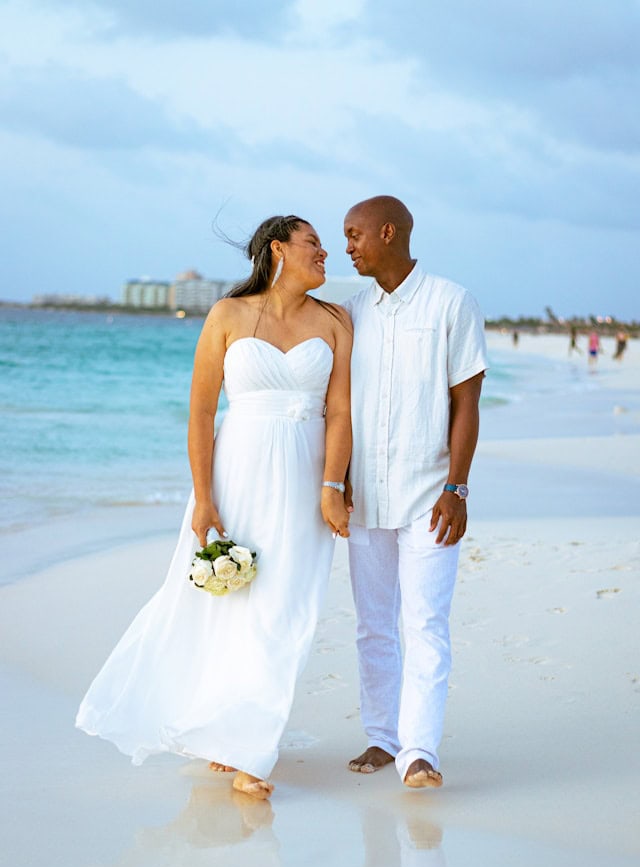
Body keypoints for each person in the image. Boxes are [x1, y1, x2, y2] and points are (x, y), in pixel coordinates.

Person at [76, 215, 352, 799]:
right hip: (236, 474)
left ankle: (251, 747)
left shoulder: (335, 322)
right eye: (312, 243)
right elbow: (202, 411)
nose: (325, 252)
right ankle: (230, 734)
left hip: (304, 480)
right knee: (229, 606)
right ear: (278, 249)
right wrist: (204, 497)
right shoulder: (227, 315)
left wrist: (332, 486)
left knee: (286, 611)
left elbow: (343, 411)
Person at [342, 196, 487, 789]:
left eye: (353, 235)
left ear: (388, 232)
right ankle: (383, 736)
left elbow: (467, 402)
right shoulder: (353, 311)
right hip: (365, 497)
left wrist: (458, 486)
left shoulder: (451, 302)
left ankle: (419, 752)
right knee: (373, 623)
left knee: (425, 622)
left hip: (431, 493)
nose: (347, 245)